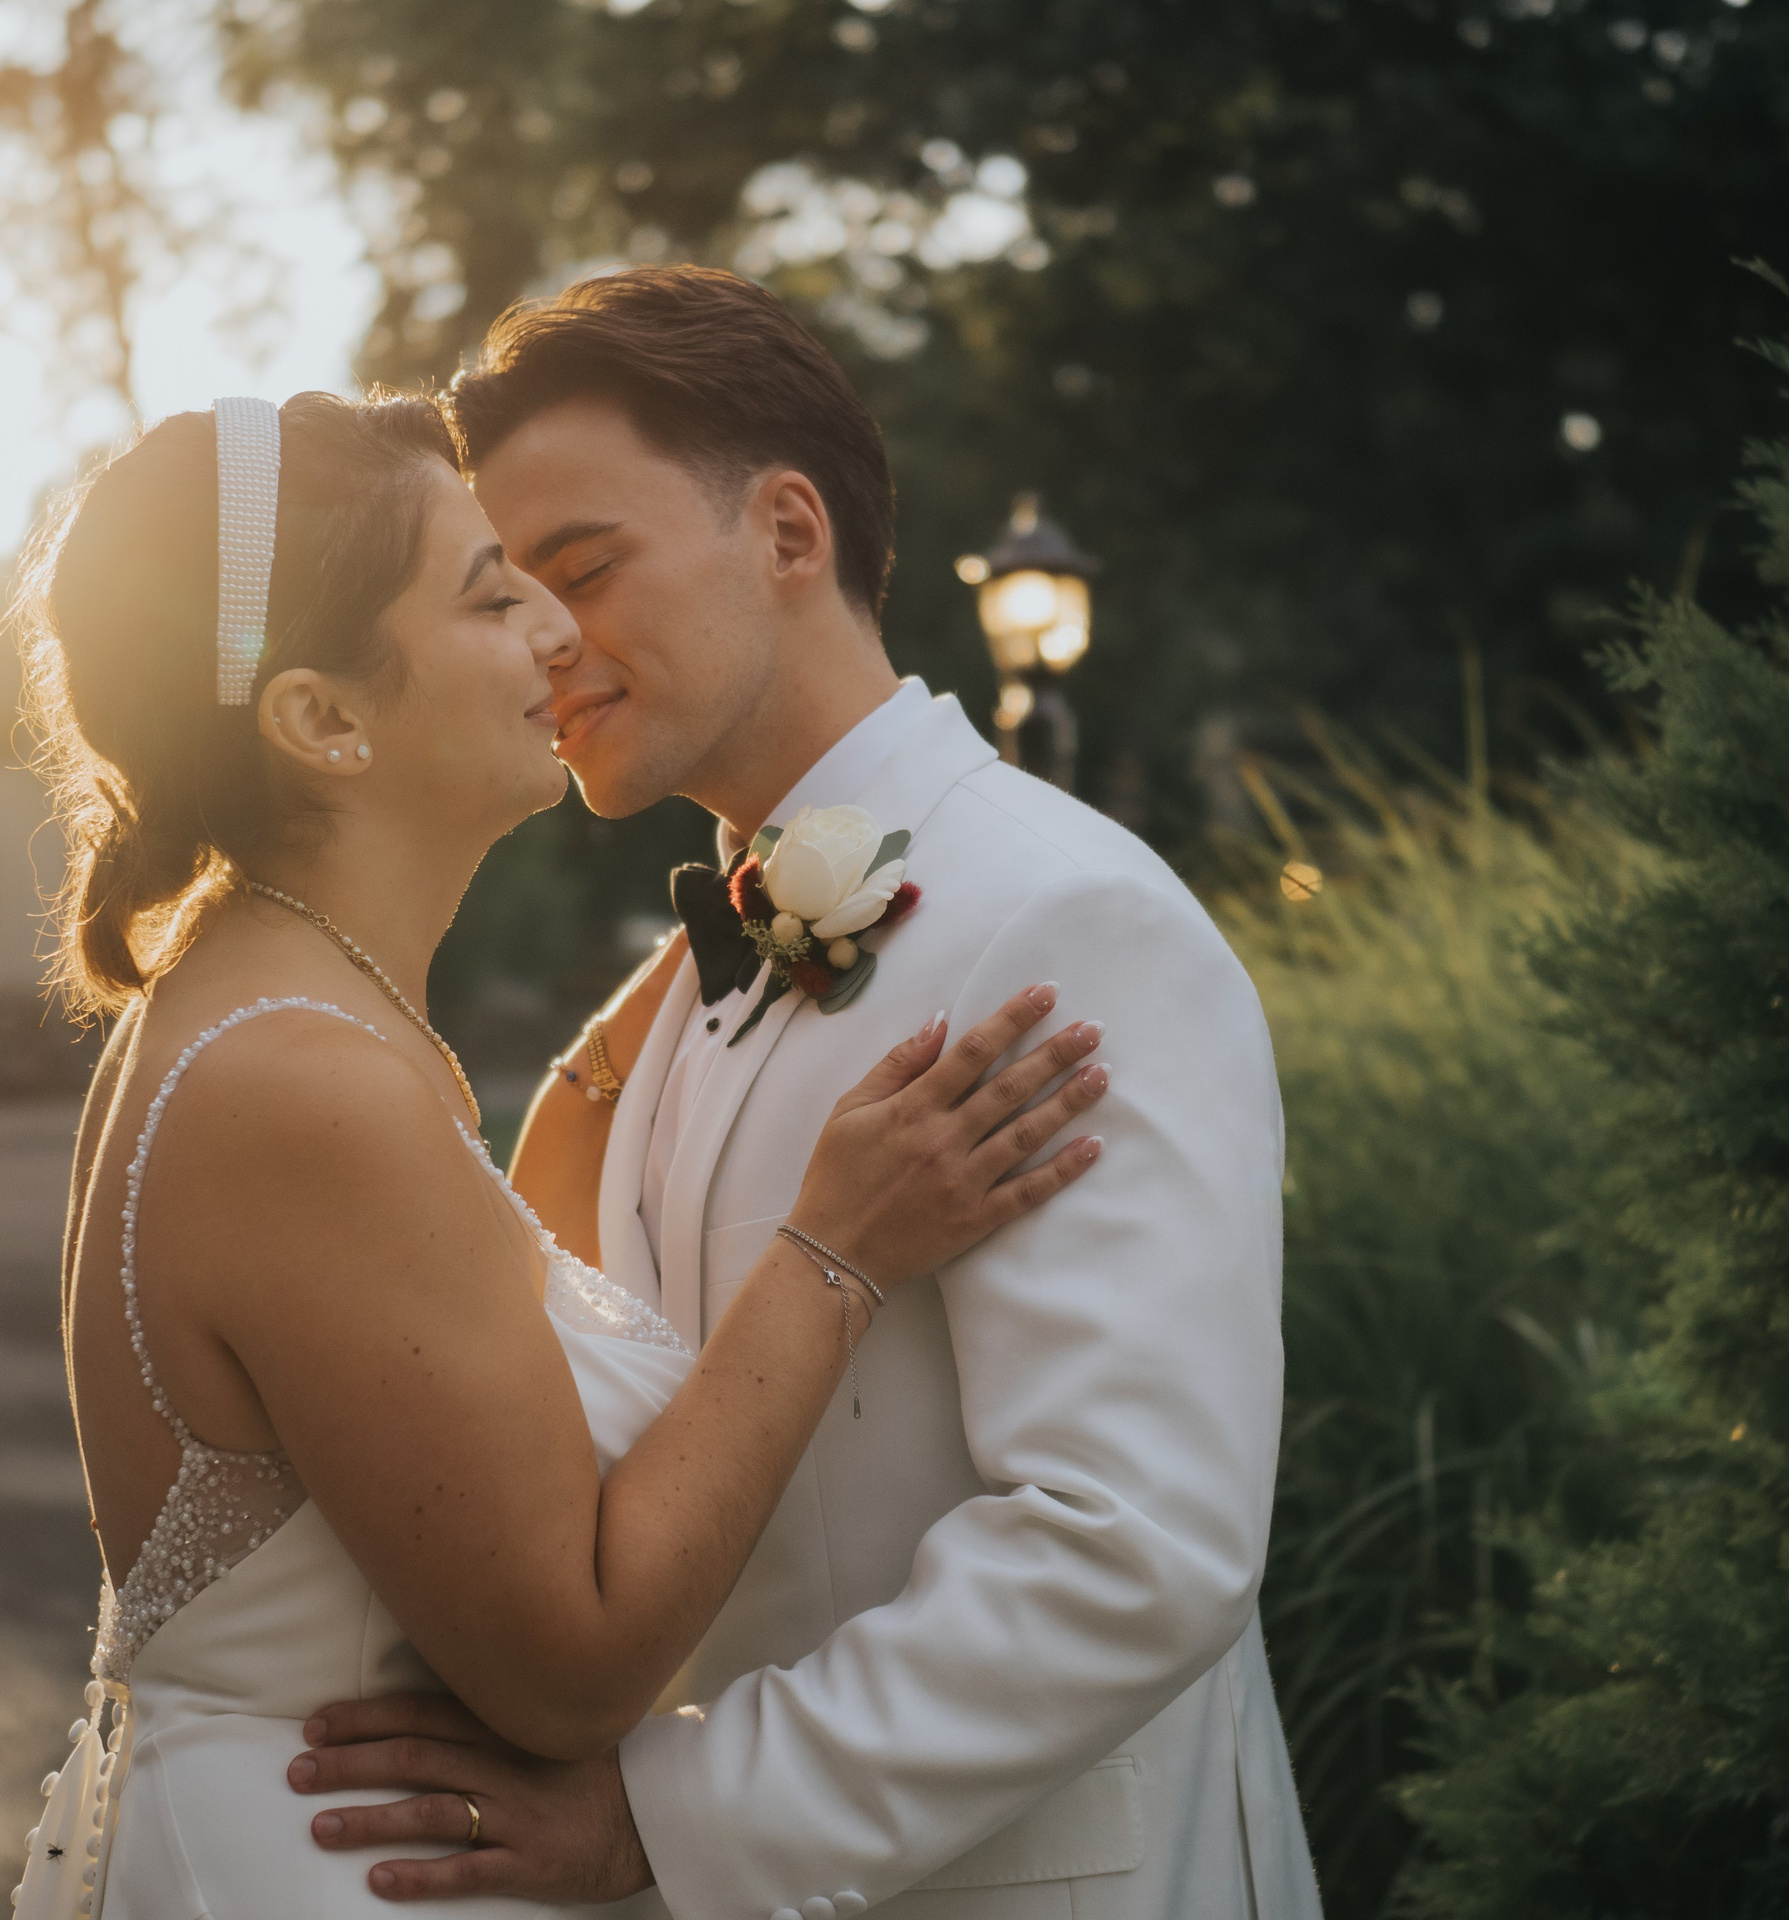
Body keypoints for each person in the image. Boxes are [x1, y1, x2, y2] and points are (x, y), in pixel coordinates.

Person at [287, 270, 1322, 1919]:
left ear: (787, 531)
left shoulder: (1066, 920)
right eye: (513, 593)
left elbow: (1133, 1545)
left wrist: (659, 1826)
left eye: (585, 566)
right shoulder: (688, 983)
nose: (548, 639)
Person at [11, 388, 1110, 1920]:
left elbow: (446, 1374)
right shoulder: (304, 1086)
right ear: (323, 720)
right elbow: (571, 1666)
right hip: (347, 1873)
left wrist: (735, 937)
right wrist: (834, 1254)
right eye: (490, 592)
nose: (556, 633)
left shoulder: (265, 1006)